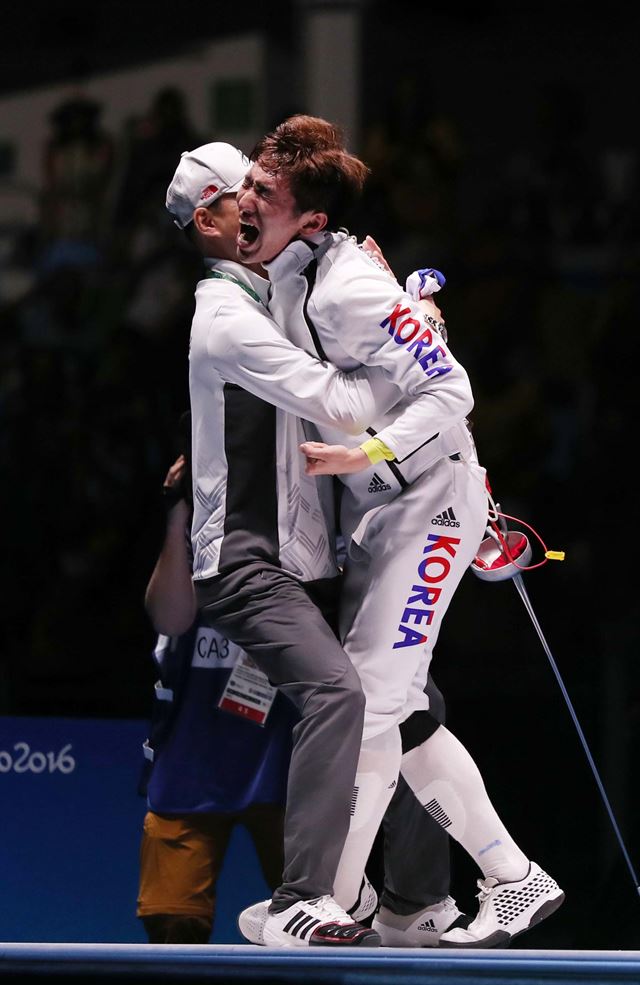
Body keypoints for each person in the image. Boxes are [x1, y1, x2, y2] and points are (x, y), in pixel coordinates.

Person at [234, 115, 564, 948]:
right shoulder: (291, 271)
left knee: (373, 703)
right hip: (384, 512)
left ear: (309, 218)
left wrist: (367, 448)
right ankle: (513, 877)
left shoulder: (344, 285)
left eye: (263, 194)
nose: (247, 201)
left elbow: (450, 389)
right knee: (401, 706)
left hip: (433, 505)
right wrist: (414, 307)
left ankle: (324, 900)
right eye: (250, 182)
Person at [165, 141, 401, 948]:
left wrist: (378, 292)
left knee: (411, 702)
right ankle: (303, 895)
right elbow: (339, 399)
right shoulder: (227, 317)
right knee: (338, 693)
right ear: (210, 218)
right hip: (242, 562)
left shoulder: (264, 295)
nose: (260, 206)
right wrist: (409, 347)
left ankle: (417, 898)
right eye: (245, 195)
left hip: (292, 560)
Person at [136, 418, 297, 944]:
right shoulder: (190, 525)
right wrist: (179, 512)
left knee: (315, 925)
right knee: (173, 925)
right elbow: (170, 619)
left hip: (288, 764)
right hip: (192, 761)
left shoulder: (304, 511)